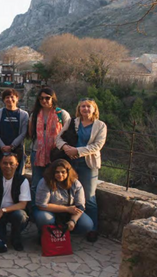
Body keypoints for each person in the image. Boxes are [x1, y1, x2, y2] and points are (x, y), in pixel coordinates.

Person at [56, 98, 107, 242]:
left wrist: (77, 151)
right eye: (83, 106)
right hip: (69, 164)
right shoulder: (72, 122)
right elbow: (58, 139)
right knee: (68, 194)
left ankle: (92, 228)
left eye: (88, 106)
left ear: (94, 109)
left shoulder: (100, 125)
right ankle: (71, 224)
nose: (85, 109)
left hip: (88, 164)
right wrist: (66, 148)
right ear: (79, 109)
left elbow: (97, 146)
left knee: (89, 197)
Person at [27, 87, 71, 201]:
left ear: (53, 98)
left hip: (55, 153)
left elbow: (69, 133)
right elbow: (31, 133)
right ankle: (34, 209)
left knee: (54, 182)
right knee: (36, 182)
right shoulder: (35, 115)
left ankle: (51, 207)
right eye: (41, 98)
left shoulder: (62, 114)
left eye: (47, 98)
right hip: (37, 152)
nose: (44, 101)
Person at [0, 153, 31, 252]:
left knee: (20, 216)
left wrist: (3, 210)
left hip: (13, 211)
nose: (8, 166)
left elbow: (23, 204)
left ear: (17, 165)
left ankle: (15, 237)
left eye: (11, 163)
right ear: (0, 164)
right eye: (5, 163)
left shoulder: (23, 180)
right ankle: (1, 234)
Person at [34, 159, 93, 237]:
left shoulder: (76, 183)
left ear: (68, 172)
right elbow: (41, 205)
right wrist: (66, 209)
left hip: (70, 213)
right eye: (57, 172)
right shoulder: (45, 182)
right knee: (43, 218)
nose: (60, 175)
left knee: (87, 224)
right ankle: (45, 234)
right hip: (49, 211)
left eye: (63, 172)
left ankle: (65, 234)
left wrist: (73, 221)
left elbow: (80, 206)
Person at [0, 89, 29, 175]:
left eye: (12, 97)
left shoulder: (24, 115)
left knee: (16, 175)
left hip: (17, 150)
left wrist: (12, 146)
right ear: (3, 100)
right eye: (7, 97)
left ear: (17, 98)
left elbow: (23, 133)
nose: (10, 99)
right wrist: (2, 146)